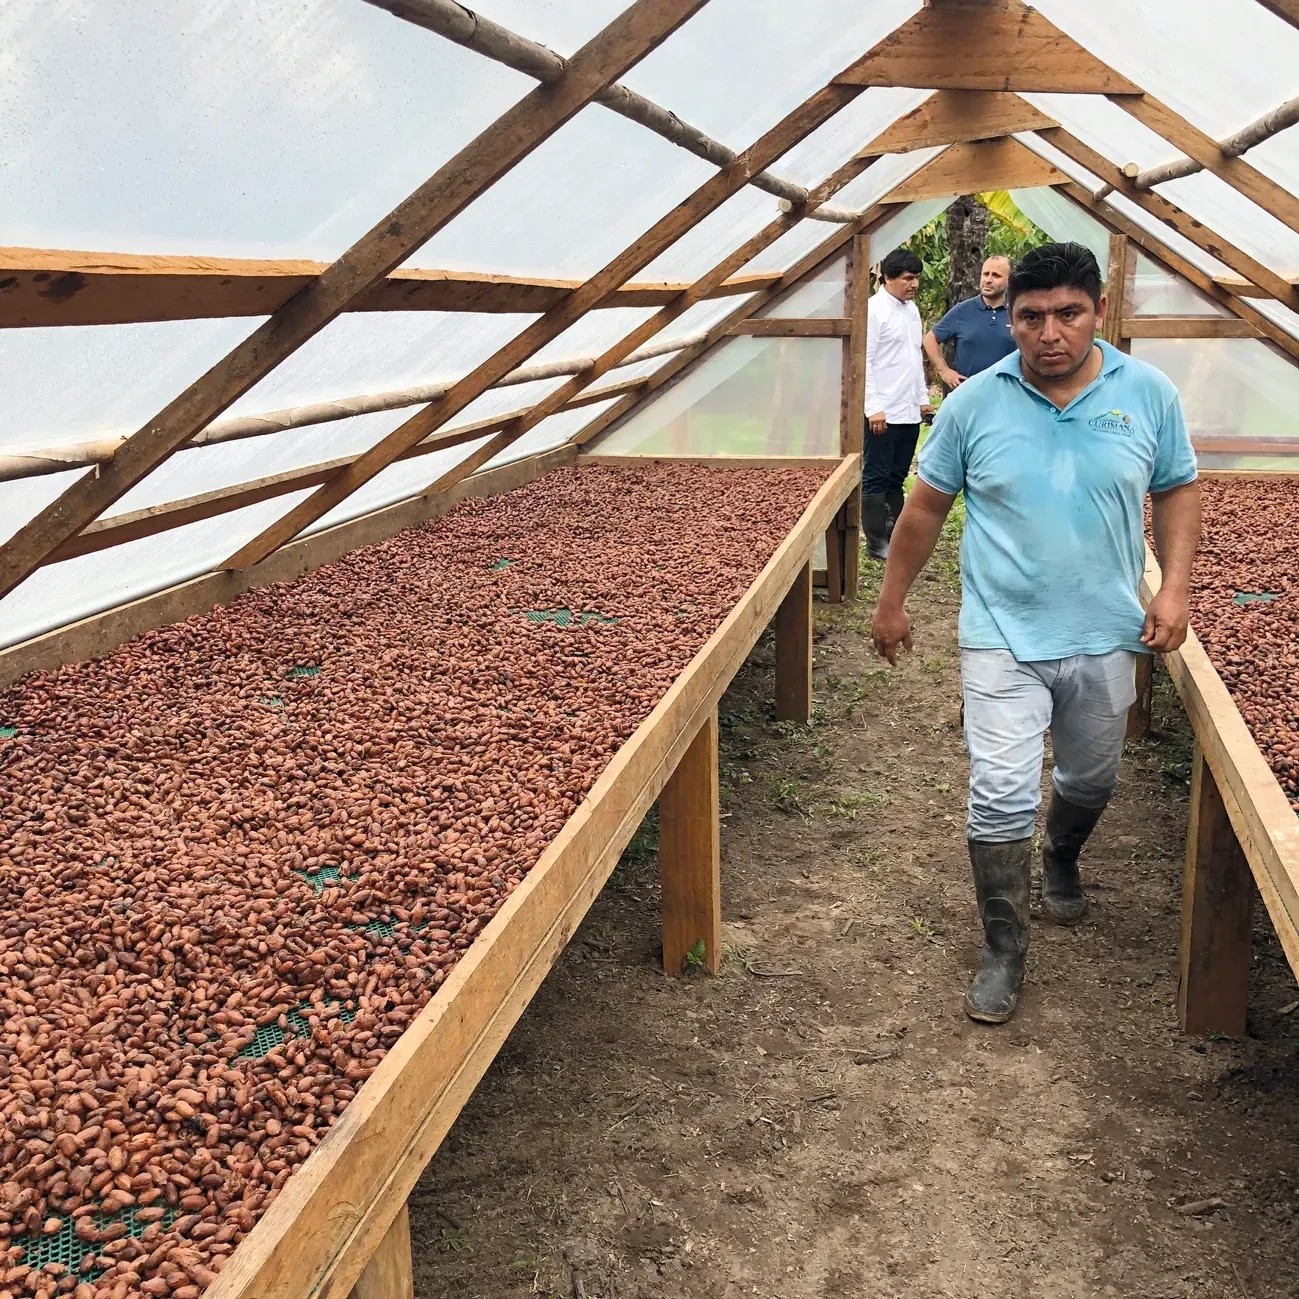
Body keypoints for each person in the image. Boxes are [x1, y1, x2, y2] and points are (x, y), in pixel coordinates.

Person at [869, 242, 1200, 1025]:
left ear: (1096, 312)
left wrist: (1175, 586)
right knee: (999, 792)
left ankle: (1061, 853)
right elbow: (923, 509)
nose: (1048, 332)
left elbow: (1177, 487)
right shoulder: (973, 403)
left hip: (1104, 628)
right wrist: (891, 602)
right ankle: (1003, 946)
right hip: (1000, 632)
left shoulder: (1145, 392)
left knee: (1090, 779)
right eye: (1029, 316)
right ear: (1007, 317)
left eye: (1067, 314)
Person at [862, 247, 935, 561]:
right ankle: (876, 541)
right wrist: (872, 407)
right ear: (888, 278)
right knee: (876, 474)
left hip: (907, 409)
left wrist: (922, 401)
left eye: (916, 278)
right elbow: (861, 361)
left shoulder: (912, 310)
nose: (914, 284)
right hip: (883, 410)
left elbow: (913, 359)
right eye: (908, 278)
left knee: (897, 474)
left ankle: (895, 534)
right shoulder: (873, 310)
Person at [922, 254, 1017, 389]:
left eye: (996, 275)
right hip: (968, 395)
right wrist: (944, 371)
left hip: (1008, 394)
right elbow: (930, 339)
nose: (988, 280)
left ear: (1010, 281)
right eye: (985, 274)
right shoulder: (962, 311)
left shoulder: (1018, 312)